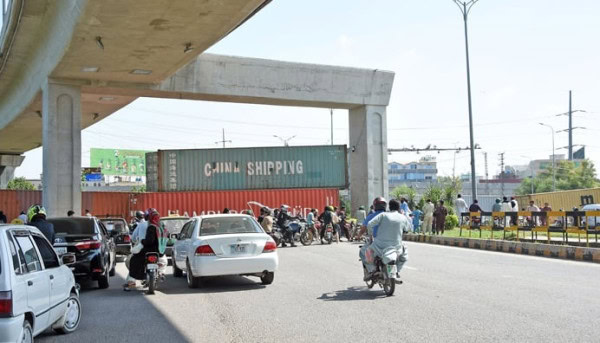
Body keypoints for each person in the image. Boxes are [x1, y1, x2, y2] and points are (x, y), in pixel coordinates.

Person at [361, 199, 409, 278]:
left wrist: (371, 234)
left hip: (379, 246)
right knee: (404, 256)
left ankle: (371, 270)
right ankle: (396, 271)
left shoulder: (383, 215)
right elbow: (407, 229)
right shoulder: (403, 217)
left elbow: (369, 224)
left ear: (389, 207)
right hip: (396, 246)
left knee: (365, 251)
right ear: (399, 208)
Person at [125, 208, 167, 291]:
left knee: (133, 260)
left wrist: (142, 242)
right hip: (160, 252)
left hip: (147, 250)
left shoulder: (150, 226)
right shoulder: (162, 226)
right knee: (164, 262)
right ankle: (161, 273)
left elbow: (148, 241)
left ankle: (132, 281)